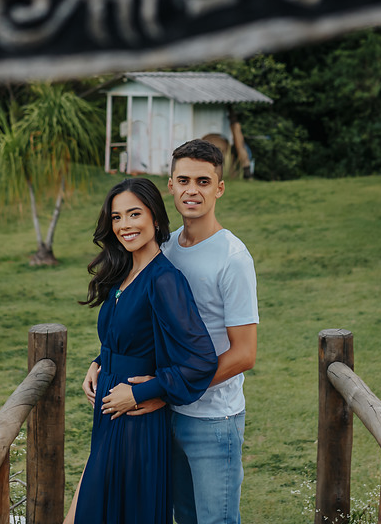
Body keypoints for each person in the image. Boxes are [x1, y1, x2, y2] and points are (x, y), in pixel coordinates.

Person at [83, 140, 259, 524]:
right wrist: (104, 359)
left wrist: (163, 389)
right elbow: (143, 320)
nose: (192, 190)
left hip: (212, 418)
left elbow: (244, 354)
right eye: (184, 180)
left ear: (219, 187)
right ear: (171, 185)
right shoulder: (165, 247)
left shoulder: (232, 258)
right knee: (182, 517)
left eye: (203, 181)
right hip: (164, 416)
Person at [65, 177, 218, 524]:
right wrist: (100, 361)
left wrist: (142, 392)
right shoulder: (124, 273)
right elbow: (130, 335)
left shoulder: (164, 279)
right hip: (109, 413)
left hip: (134, 421)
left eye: (134, 214)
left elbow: (200, 360)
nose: (124, 225)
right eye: (117, 217)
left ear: (155, 218)